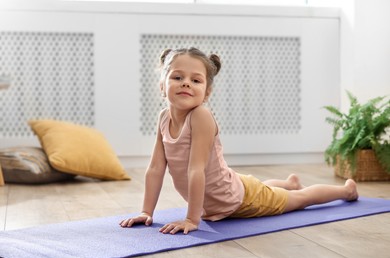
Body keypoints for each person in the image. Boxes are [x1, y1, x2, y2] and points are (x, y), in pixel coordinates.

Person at [119, 47, 358, 235]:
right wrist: (145, 211)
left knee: (300, 200)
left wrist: (192, 219)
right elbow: (155, 168)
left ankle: (346, 191)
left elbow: (196, 170)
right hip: (229, 187)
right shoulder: (163, 117)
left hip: (238, 200)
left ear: (207, 93)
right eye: (177, 77)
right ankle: (289, 182)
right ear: (162, 86)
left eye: (196, 80)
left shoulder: (200, 116)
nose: (186, 83)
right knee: (262, 188)